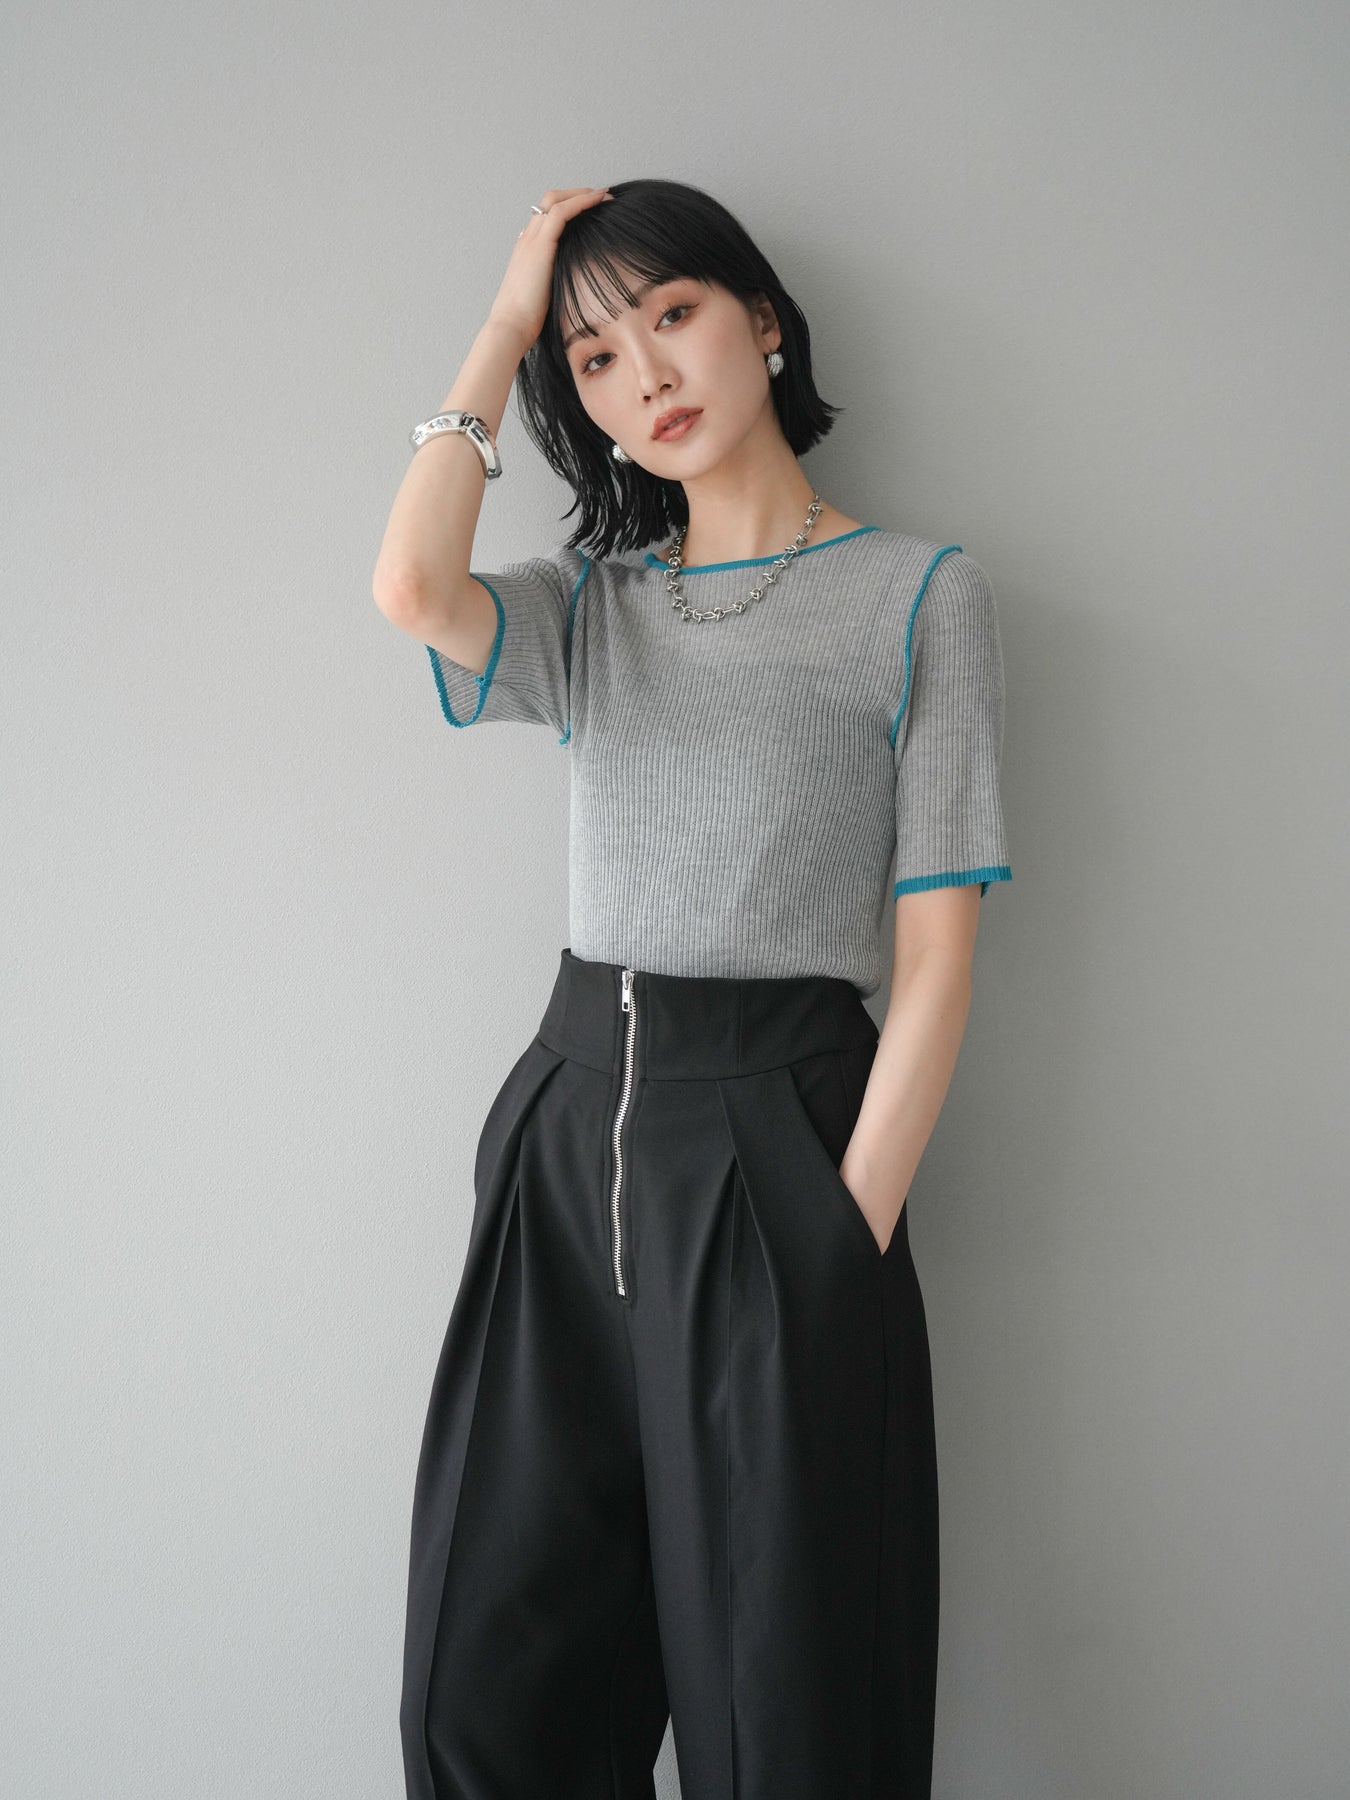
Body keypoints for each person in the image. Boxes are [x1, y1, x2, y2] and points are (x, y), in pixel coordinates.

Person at [372, 177, 1012, 1800]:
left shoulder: (916, 594)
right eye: (594, 358)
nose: (643, 373)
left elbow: (936, 953)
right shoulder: (595, 606)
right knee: (491, 1689)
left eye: (671, 315)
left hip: (779, 1143)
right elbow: (411, 589)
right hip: (564, 1134)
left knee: (784, 1698)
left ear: (761, 321)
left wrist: (841, 1229)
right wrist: (506, 323)